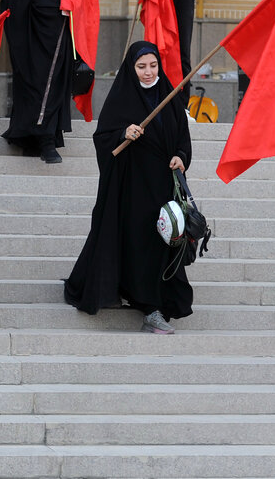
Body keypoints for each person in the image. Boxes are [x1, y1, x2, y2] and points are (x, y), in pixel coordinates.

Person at [64, 41, 193, 334]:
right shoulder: (122, 97)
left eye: (153, 65)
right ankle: (145, 305)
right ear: (131, 68)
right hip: (130, 189)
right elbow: (103, 138)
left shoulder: (170, 96)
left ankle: (151, 305)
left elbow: (182, 138)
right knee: (134, 242)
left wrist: (181, 157)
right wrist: (123, 132)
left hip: (162, 188)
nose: (148, 72)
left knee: (158, 246)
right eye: (141, 66)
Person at [0, 0, 73, 164]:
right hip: (30, 52)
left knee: (52, 94)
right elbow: (8, 5)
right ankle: (31, 138)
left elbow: (76, 7)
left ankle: (47, 142)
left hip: (56, 52)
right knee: (33, 92)